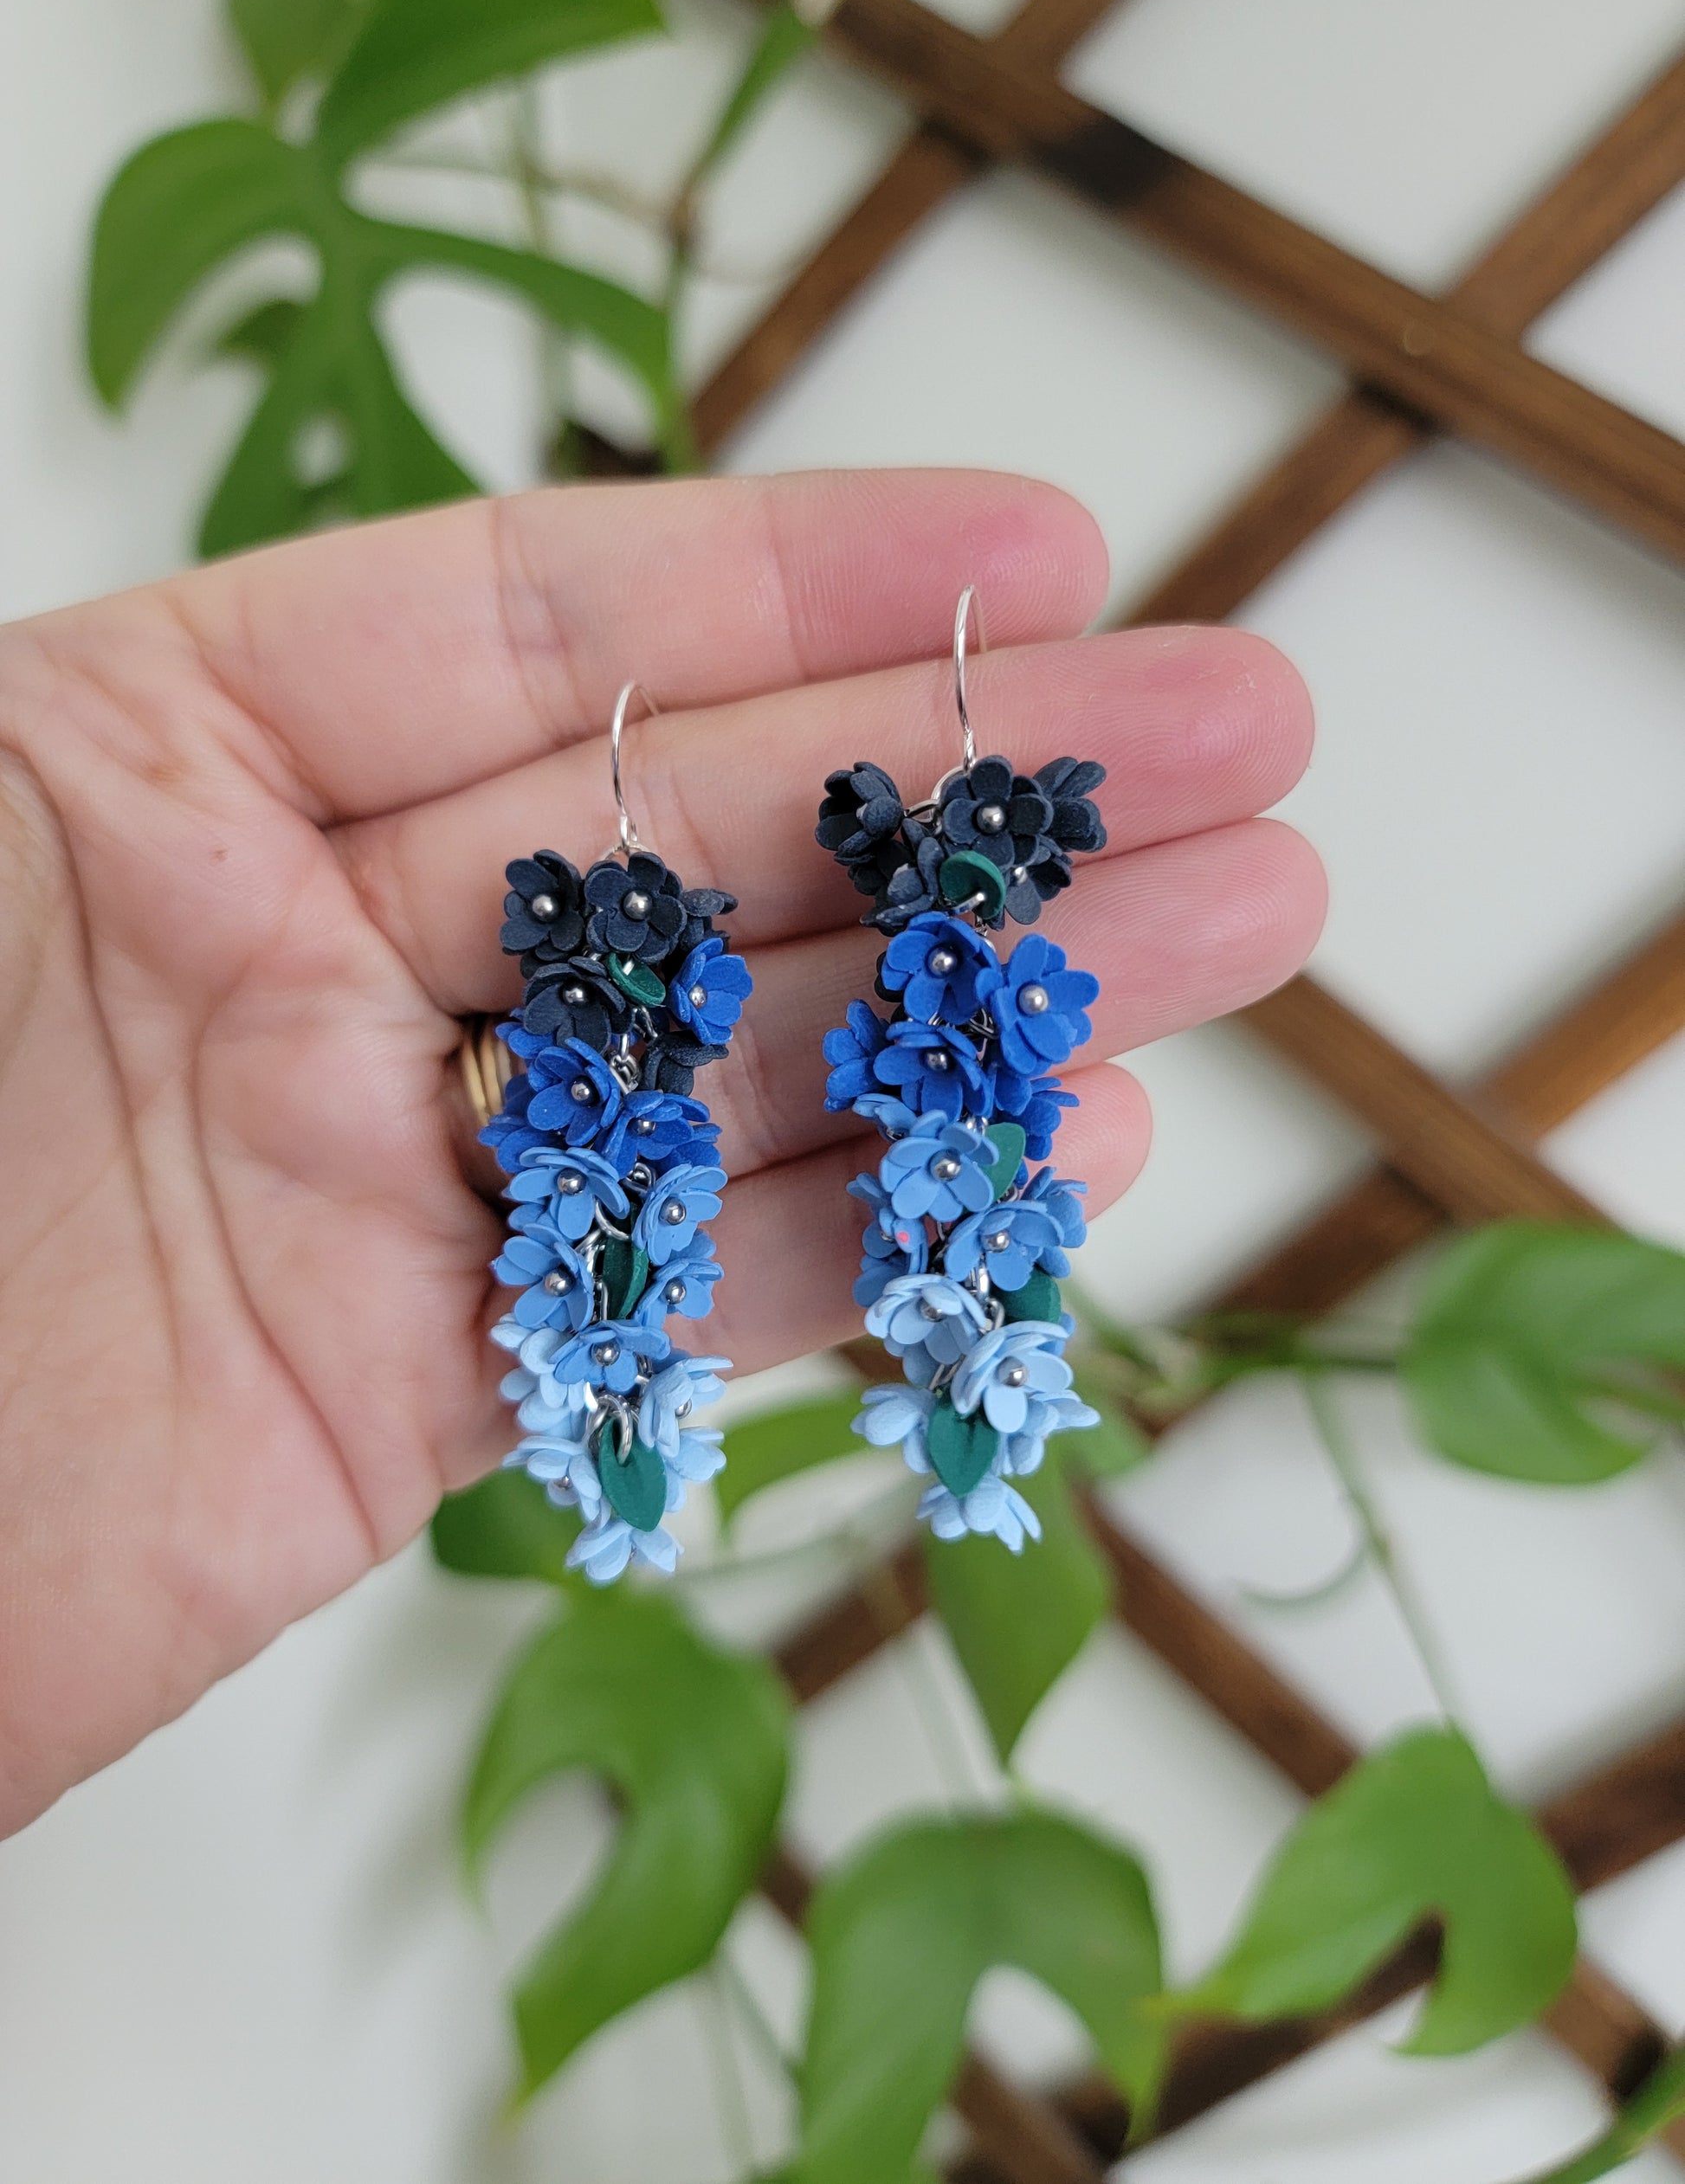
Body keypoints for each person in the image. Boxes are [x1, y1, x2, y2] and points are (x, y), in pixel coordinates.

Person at [0, 467, 1323, 1835]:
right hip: (637, 1156)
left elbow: (948, 1071)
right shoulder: (648, 1005)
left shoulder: (944, 979)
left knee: (947, 1136)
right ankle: (641, 1438)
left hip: (910, 1127)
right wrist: (599, 1127)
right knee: (635, 1241)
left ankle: (964, 1399)